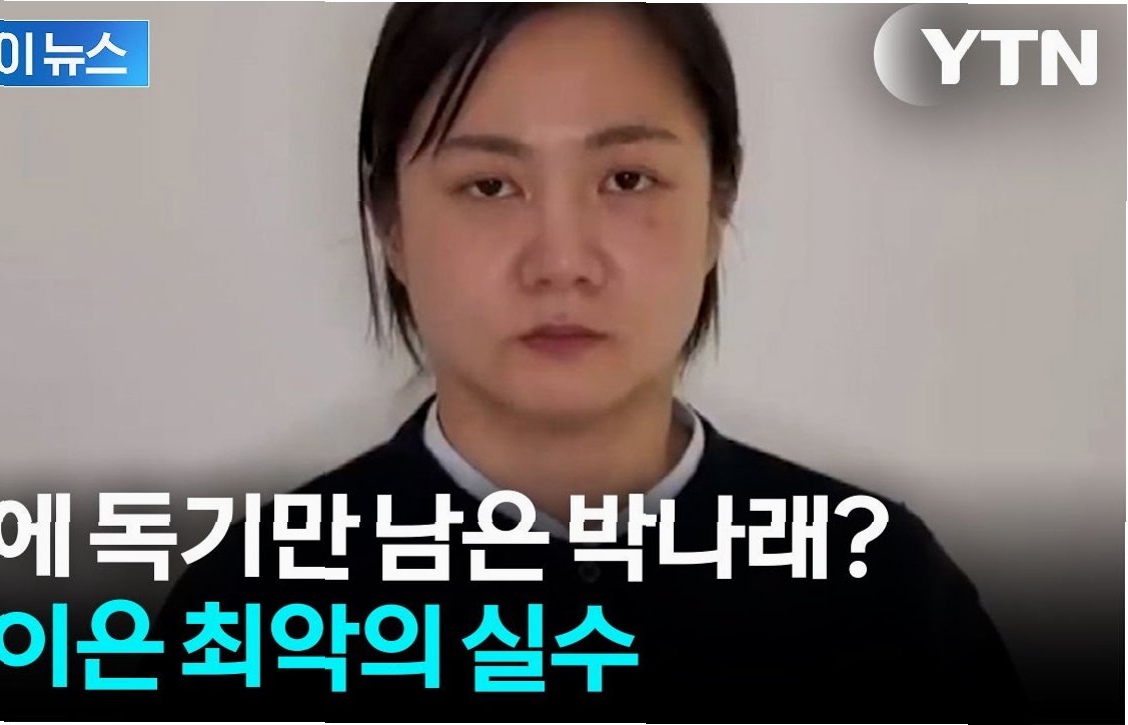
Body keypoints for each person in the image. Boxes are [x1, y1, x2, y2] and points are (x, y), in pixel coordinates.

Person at [148, 4, 1027, 722]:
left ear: (718, 203)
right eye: (489, 186)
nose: (561, 262)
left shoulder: (881, 590)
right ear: (391, 226)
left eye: (627, 180)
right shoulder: (248, 610)